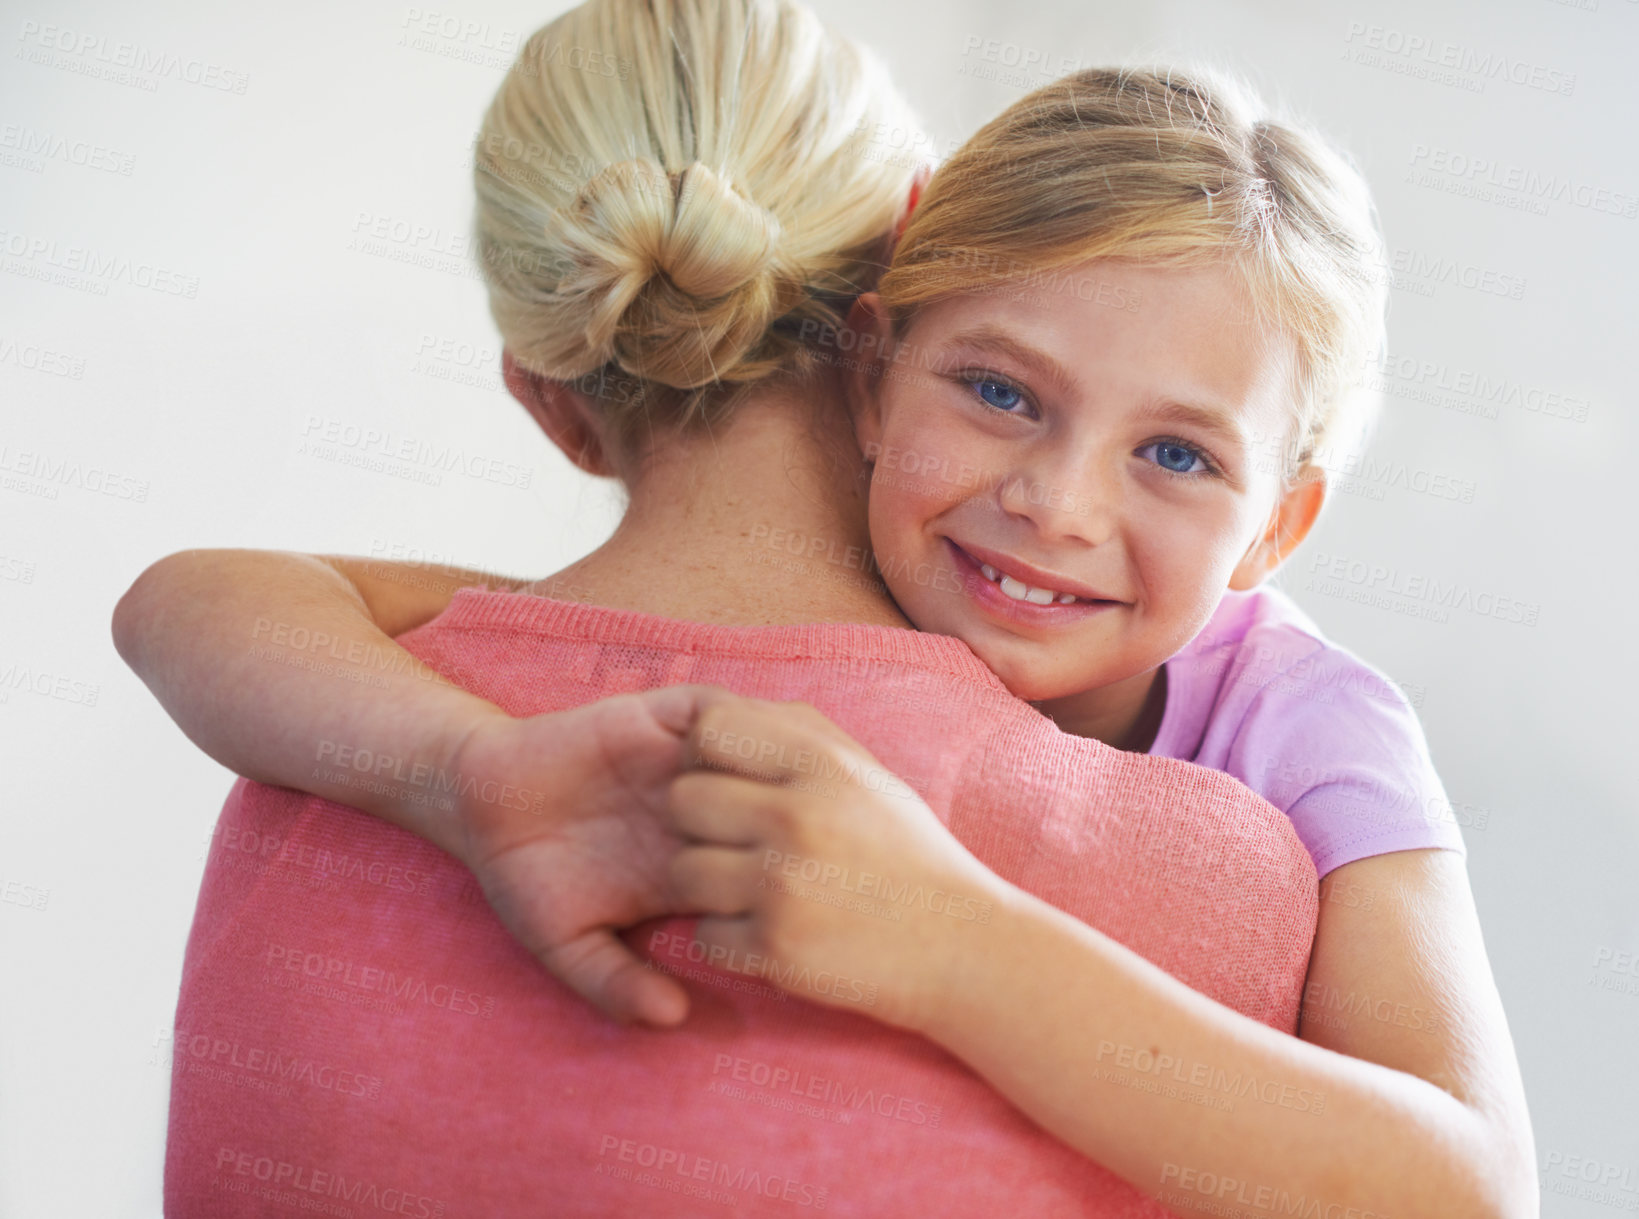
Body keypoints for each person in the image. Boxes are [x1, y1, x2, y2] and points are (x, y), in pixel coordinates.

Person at [114, 3, 1535, 1215]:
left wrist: (951, 939)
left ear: (1275, 530)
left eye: (1177, 454)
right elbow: (213, 600)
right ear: (874, 363)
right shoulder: (930, 583)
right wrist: (466, 767)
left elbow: (1472, 1184)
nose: (1056, 504)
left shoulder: (1308, 724)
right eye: (998, 392)